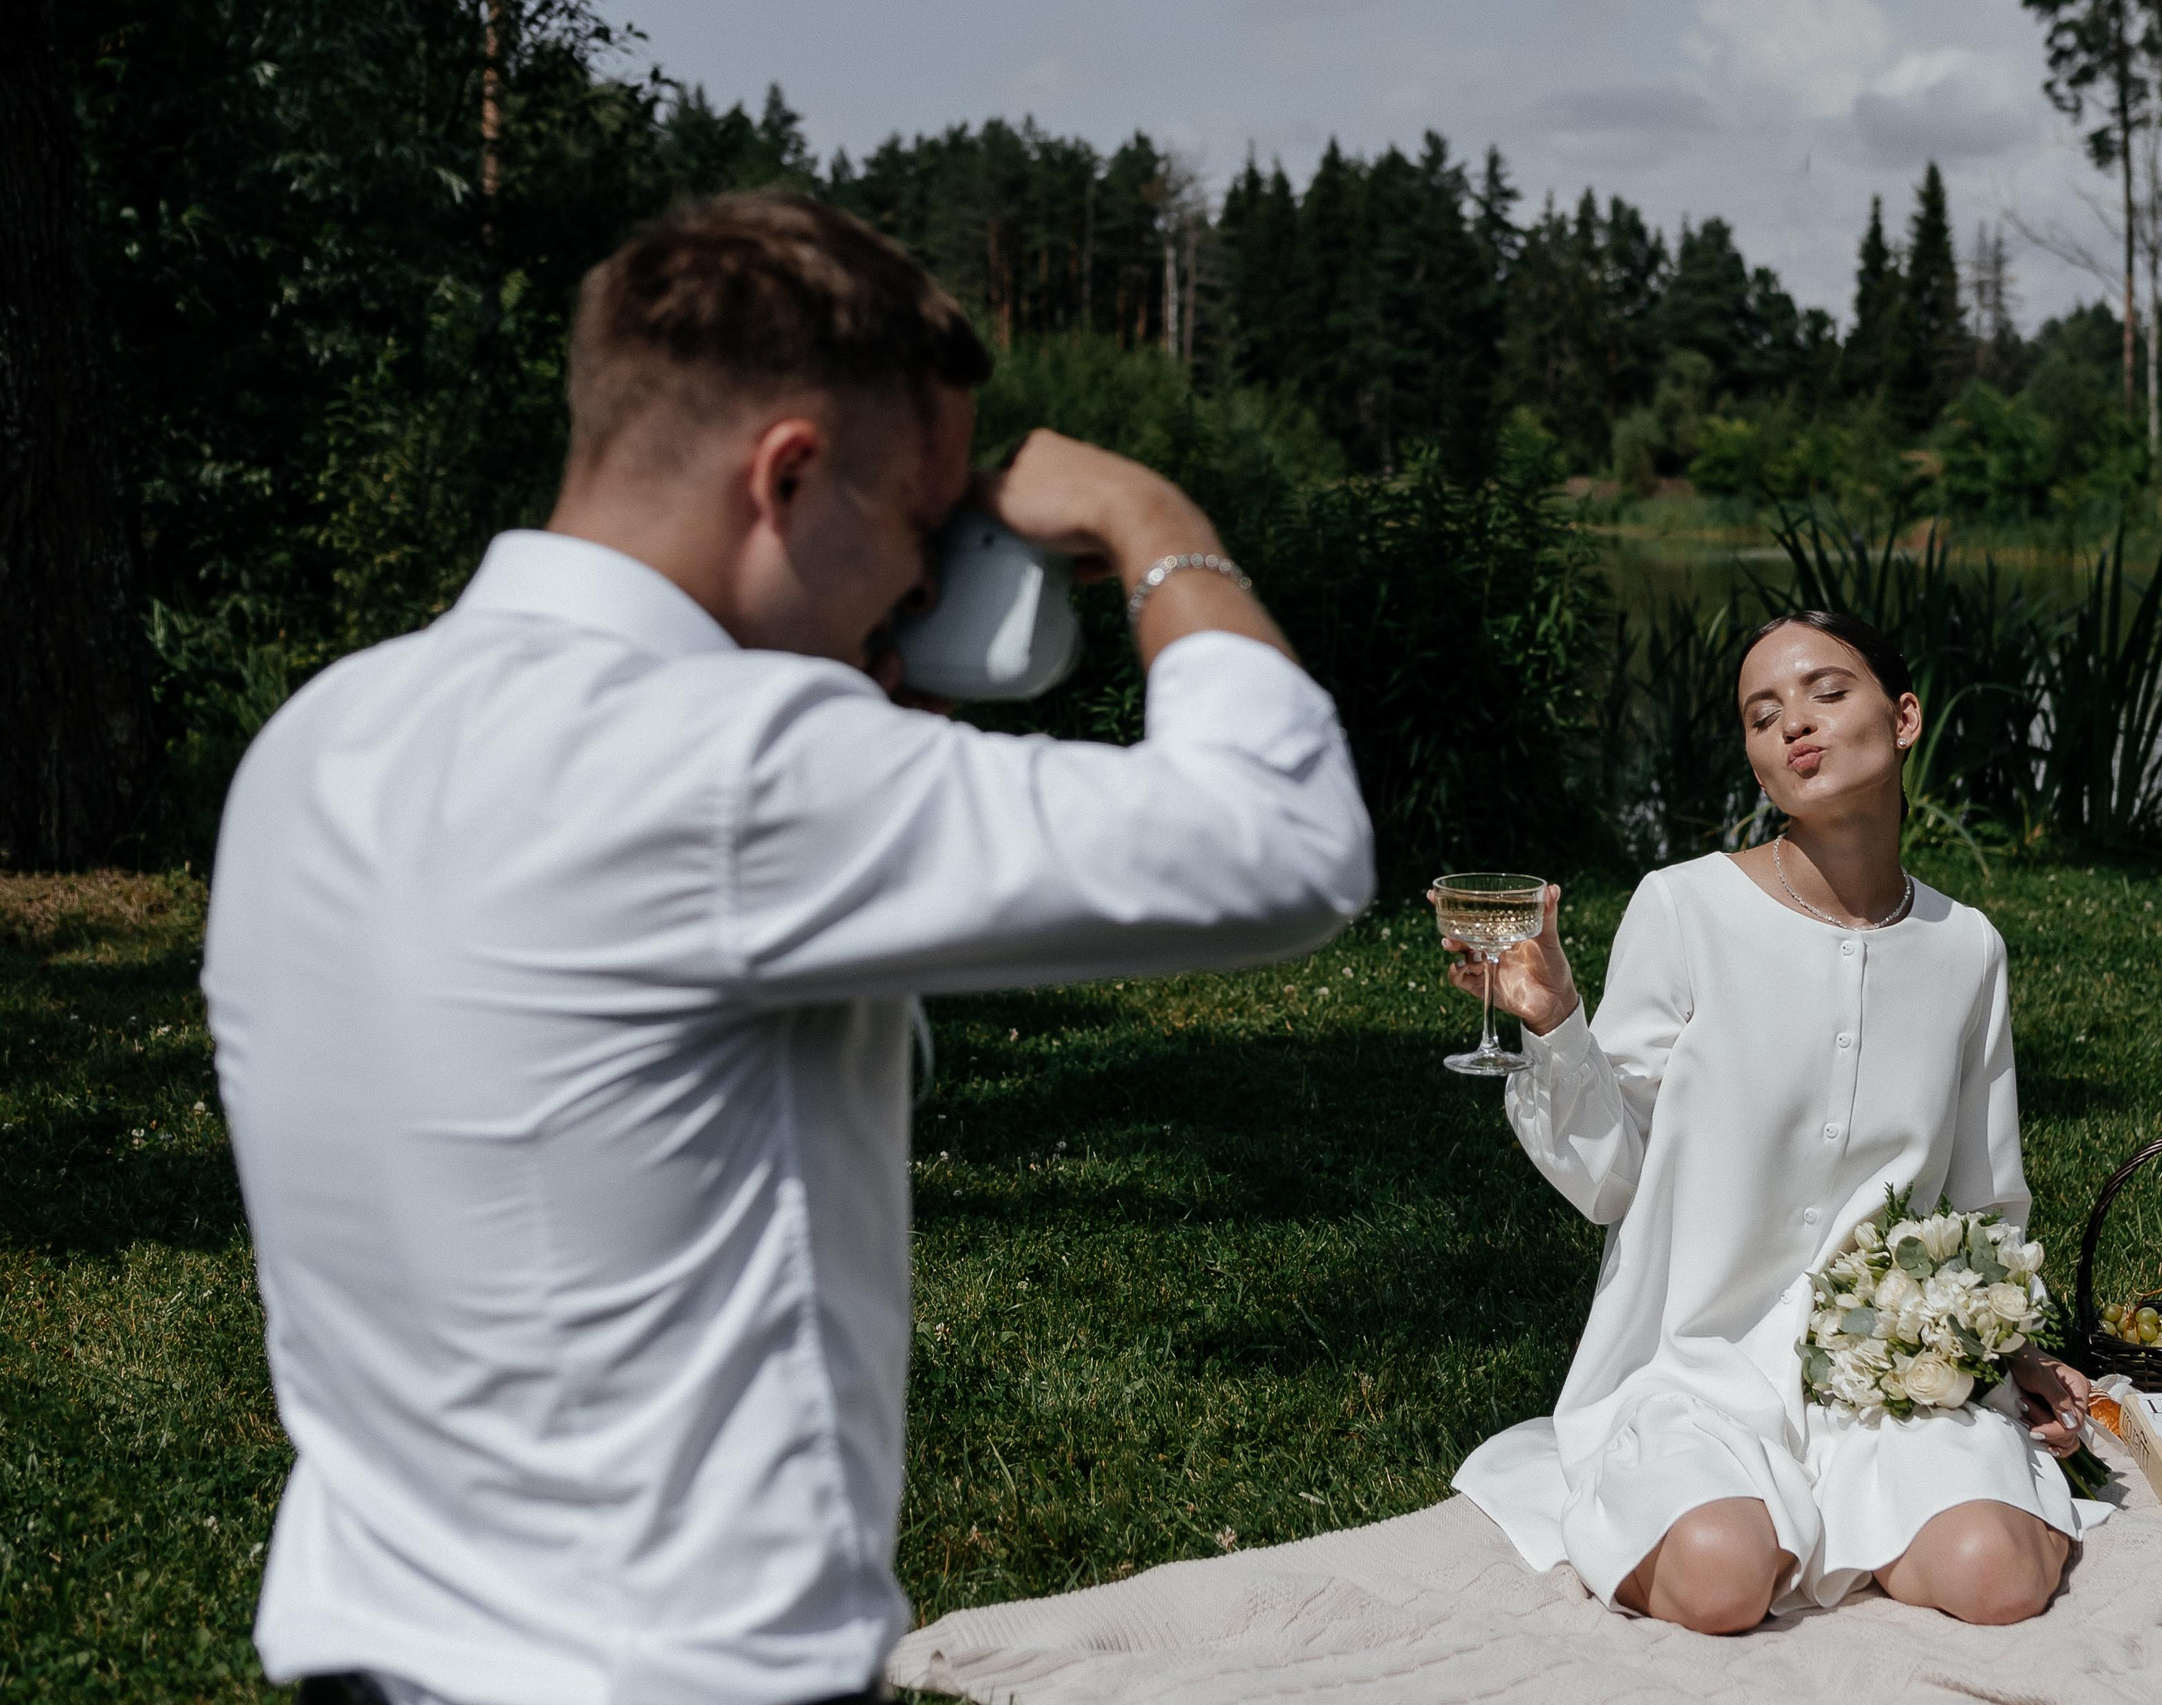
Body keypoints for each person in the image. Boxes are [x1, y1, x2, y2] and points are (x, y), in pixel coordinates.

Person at [201, 193, 1373, 1705]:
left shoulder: (320, 734)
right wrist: (1156, 526)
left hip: (382, 1643)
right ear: (790, 476)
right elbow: (1285, 840)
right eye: (920, 527)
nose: (922, 589)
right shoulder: (728, 761)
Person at [1446, 610, 2095, 1635]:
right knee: (1719, 1580)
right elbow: (1612, 1180)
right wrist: (1558, 1023)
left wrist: (2008, 1347)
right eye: (1762, 714)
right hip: (1697, 1365)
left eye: (1827, 692)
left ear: (1905, 717)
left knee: (1999, 1579)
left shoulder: (1965, 946)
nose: (1794, 722)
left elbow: (1984, 1195)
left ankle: (1887, 1506)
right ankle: (1743, 1509)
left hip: (1885, 1378)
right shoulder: (1685, 909)